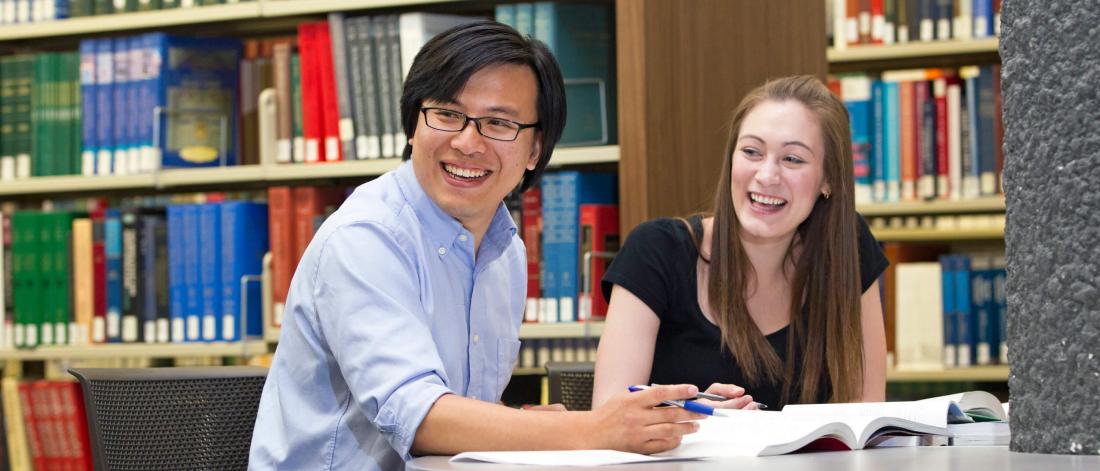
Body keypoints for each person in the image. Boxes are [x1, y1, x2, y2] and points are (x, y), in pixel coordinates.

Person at [249, 20, 703, 471]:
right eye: (447, 114)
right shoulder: (366, 237)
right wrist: (590, 430)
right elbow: (420, 417)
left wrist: (679, 415)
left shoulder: (505, 250)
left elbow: (458, 411)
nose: (468, 142)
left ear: (534, 150)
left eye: (498, 123)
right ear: (413, 125)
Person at [592, 75, 889, 412]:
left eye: (792, 159)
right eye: (751, 152)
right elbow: (608, 416)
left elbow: (867, 409)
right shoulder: (656, 251)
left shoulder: (846, 246)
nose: (766, 175)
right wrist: (696, 416)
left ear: (828, 180)